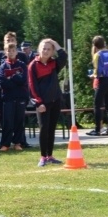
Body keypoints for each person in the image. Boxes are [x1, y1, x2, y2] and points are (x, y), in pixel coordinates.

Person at [28, 39, 68, 167]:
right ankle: (42, 157)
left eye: (49, 49)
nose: (45, 51)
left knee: (51, 129)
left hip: (55, 101)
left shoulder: (54, 64)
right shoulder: (33, 65)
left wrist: (54, 43)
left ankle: (50, 155)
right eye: (43, 48)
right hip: (43, 104)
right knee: (44, 129)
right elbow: (32, 86)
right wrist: (39, 103)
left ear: (52, 52)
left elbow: (64, 55)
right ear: (39, 49)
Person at [0, 42, 29, 151]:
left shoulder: (22, 65)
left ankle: (17, 143)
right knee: (7, 121)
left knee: (19, 121)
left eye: (13, 51)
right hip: (8, 97)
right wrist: (15, 78)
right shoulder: (3, 66)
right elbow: (2, 82)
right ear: (5, 52)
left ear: (17, 52)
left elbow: (23, 80)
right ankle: (5, 144)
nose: (11, 53)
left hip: (20, 97)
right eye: (8, 51)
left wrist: (10, 78)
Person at [87, 36, 108, 136]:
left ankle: (97, 130)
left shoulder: (97, 55)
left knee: (97, 105)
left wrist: (94, 75)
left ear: (94, 45)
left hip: (102, 81)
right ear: (104, 43)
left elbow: (98, 70)